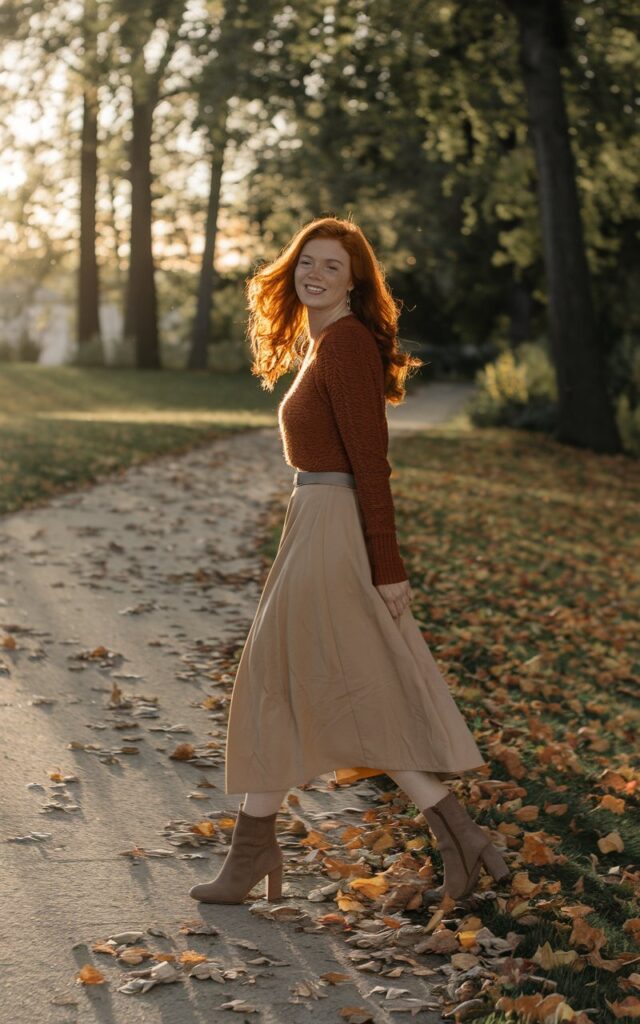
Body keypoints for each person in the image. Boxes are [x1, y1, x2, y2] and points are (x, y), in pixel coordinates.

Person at [188, 216, 510, 906]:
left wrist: (387, 566)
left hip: (334, 531)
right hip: (312, 523)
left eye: (333, 266)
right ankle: (256, 852)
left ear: (354, 281)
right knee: (286, 680)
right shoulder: (323, 344)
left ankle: (457, 834)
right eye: (308, 261)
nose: (315, 274)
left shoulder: (347, 345)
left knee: (339, 683)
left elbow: (372, 464)